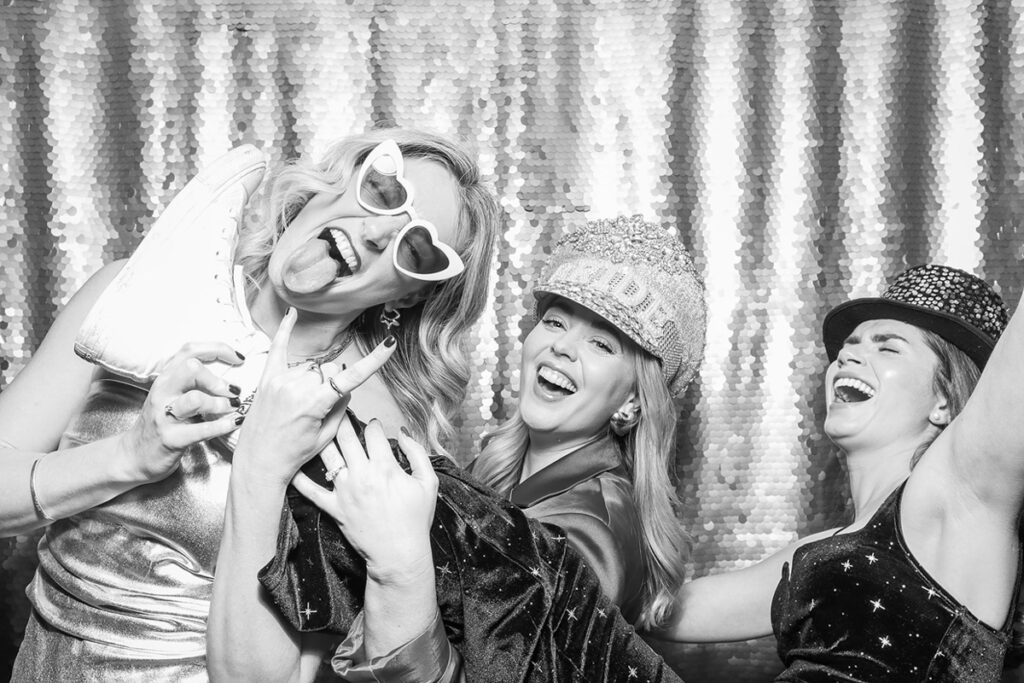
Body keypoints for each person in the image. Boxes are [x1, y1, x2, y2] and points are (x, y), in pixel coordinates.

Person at [0, 127, 498, 681]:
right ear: (334, 184)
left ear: (409, 293)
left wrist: (263, 464)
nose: (380, 232)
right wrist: (128, 457)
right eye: (384, 190)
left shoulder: (370, 436)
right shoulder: (136, 298)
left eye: (417, 247)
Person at [208, 215, 705, 682]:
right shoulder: (497, 476)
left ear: (634, 400)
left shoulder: (590, 534)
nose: (562, 347)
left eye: (603, 344)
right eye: (556, 321)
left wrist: (395, 565)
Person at [653, 264, 1021, 681]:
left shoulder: (958, 499)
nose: (847, 354)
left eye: (888, 347)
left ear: (945, 400)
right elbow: (658, 610)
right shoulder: (819, 553)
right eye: (851, 344)